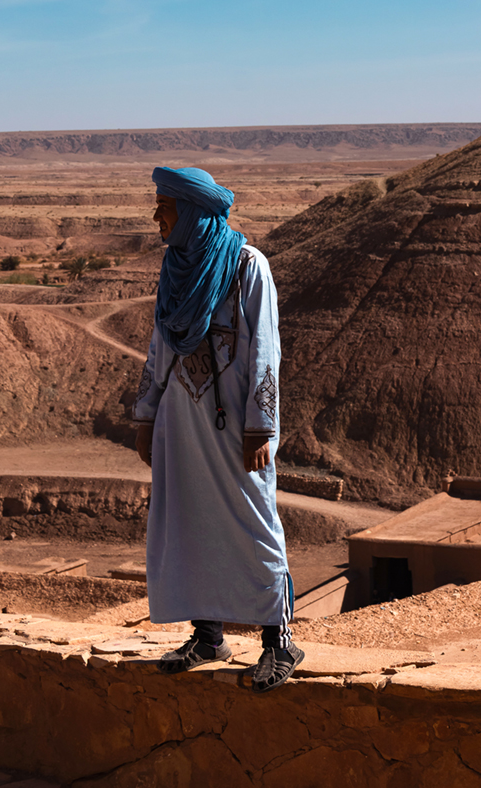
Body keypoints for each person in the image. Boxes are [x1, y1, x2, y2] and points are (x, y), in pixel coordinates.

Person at [133, 165, 304, 693]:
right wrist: (146, 413)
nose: (156, 214)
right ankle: (207, 636)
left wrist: (262, 426)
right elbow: (161, 344)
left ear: (193, 213)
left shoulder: (248, 266)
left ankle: (280, 641)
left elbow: (266, 352)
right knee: (189, 521)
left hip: (235, 427)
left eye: (166, 205)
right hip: (180, 422)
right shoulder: (175, 266)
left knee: (252, 522)